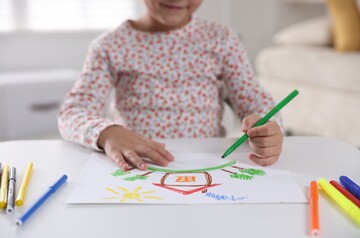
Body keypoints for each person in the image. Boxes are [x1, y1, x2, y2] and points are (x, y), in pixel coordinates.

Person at [58, 0, 283, 171]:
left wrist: (267, 126)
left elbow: (255, 99)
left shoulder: (222, 38)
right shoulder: (108, 46)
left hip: (210, 162)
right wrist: (107, 133)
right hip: (139, 166)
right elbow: (72, 113)